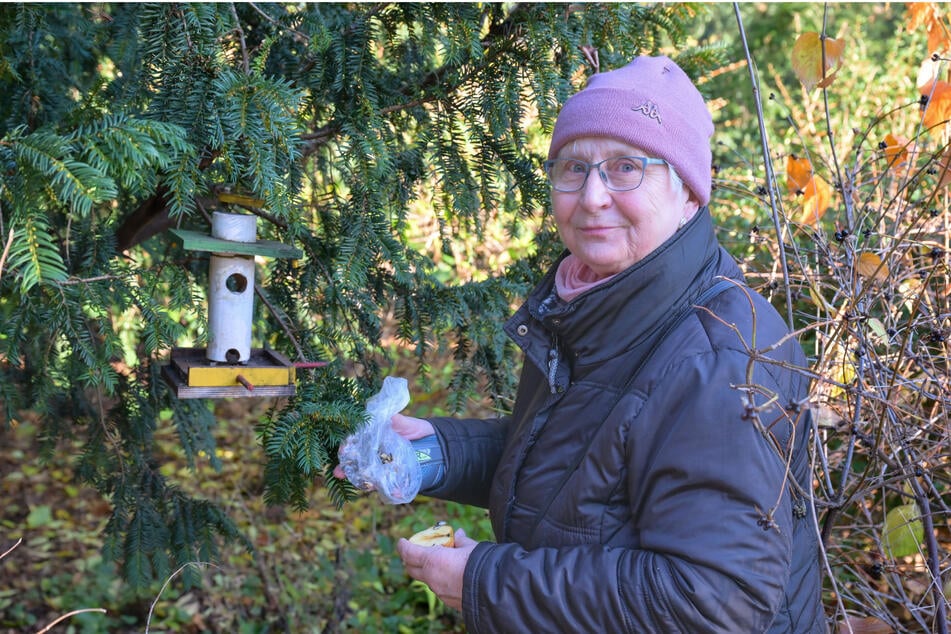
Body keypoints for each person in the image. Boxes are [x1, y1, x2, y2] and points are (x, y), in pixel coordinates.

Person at [337, 55, 825, 633]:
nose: (592, 196)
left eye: (625, 168)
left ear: (689, 193)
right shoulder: (594, 303)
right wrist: (438, 452)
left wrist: (486, 582)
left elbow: (713, 600)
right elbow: (587, 459)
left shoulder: (718, 356)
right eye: (573, 168)